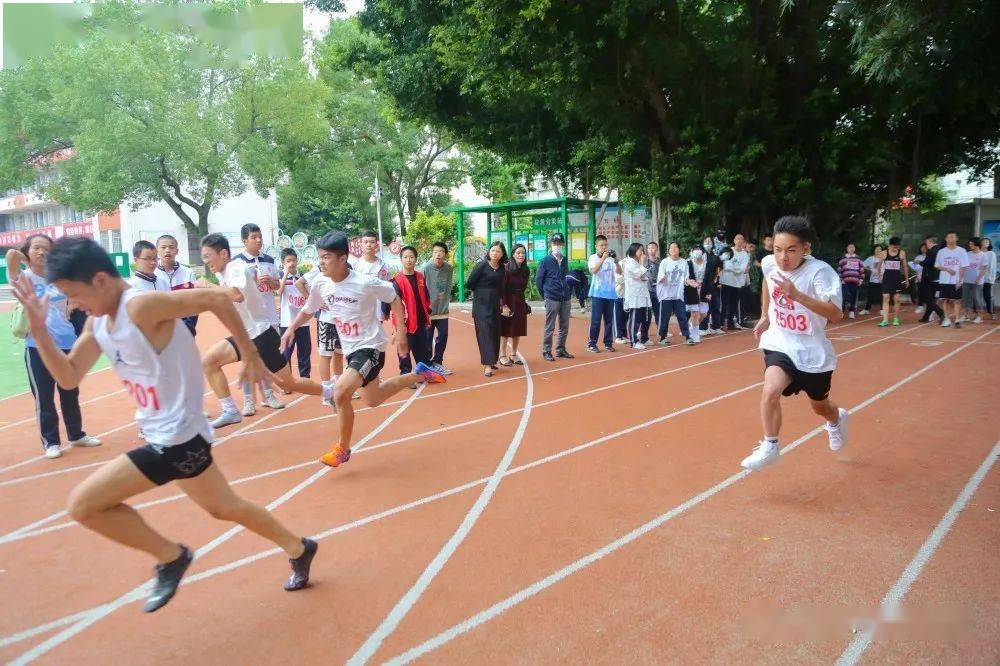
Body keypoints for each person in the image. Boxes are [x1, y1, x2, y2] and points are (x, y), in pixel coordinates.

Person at [11, 237, 318, 612]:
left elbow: (218, 299)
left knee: (83, 505)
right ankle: (299, 547)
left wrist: (251, 356)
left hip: (175, 441)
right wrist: (40, 330)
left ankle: (171, 556)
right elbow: (69, 376)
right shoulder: (97, 325)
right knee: (226, 507)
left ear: (101, 280)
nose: (73, 304)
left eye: (75, 294)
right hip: (176, 437)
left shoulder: (140, 306)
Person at [280, 231, 445, 467]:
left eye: (326, 257)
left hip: (371, 347)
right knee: (373, 399)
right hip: (351, 350)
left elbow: (394, 298)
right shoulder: (320, 283)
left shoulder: (364, 282)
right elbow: (309, 309)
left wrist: (401, 333)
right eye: (320, 257)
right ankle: (420, 373)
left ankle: (342, 449)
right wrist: (291, 329)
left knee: (340, 392)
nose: (321, 262)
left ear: (342, 258)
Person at [741, 216, 847, 471]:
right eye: (778, 250)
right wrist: (766, 315)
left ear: (805, 249)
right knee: (770, 390)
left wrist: (797, 295)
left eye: (790, 250)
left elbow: (835, 314)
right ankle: (770, 445)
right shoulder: (769, 263)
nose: (782, 257)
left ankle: (836, 420)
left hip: (813, 351)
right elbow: (768, 280)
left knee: (820, 406)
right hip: (781, 341)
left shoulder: (820, 272)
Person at [200, 234, 331, 428]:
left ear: (223, 253)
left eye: (208, 256)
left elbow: (236, 295)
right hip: (248, 335)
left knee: (288, 383)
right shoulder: (224, 272)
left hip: (259, 335)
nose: (206, 261)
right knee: (211, 361)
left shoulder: (235, 267)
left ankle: (331, 393)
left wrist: (207, 286)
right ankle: (230, 410)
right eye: (203, 257)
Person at [6, 234, 101, 459]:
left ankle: (76, 435)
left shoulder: (58, 277)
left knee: (70, 392)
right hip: (37, 346)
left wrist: (73, 302)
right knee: (44, 397)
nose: (42, 253)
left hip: (67, 342)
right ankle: (51, 441)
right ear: (28, 252)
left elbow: (79, 296)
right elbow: (11, 256)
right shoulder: (23, 277)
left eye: (47, 249)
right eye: (37, 249)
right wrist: (26, 257)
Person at [232, 223, 284, 413]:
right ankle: (248, 400)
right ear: (244, 240)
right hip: (249, 320)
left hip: (268, 317)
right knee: (248, 359)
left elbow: (278, 286)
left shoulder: (269, 260)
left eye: (260, 236)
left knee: (267, 359)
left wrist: (270, 282)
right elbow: (235, 291)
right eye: (254, 237)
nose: (258, 240)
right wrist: (253, 282)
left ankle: (268, 395)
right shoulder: (237, 263)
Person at [466, 241, 508, 376]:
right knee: (485, 334)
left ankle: (492, 360)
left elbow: (501, 287)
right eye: (493, 250)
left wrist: (503, 303)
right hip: (481, 305)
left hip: (495, 304)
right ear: (489, 251)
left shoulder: (502, 268)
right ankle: (487, 365)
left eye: (498, 251)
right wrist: (482, 292)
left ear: (502, 254)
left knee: (495, 332)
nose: (495, 253)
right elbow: (470, 283)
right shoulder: (481, 266)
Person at [392, 246, 433, 380]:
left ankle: (422, 373)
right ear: (401, 260)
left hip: (420, 320)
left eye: (411, 257)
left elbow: (425, 296)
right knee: (404, 350)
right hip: (405, 323)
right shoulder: (396, 281)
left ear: (416, 259)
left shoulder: (420, 276)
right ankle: (406, 376)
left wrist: (428, 310)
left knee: (422, 348)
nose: (409, 260)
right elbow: (394, 304)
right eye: (405, 257)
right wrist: (397, 325)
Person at [535, 233, 573, 362]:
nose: (557, 246)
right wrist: (545, 295)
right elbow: (538, 280)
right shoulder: (545, 260)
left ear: (562, 245)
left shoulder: (564, 260)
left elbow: (565, 276)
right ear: (551, 245)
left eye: (559, 243)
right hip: (552, 297)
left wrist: (567, 291)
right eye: (555, 243)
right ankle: (546, 350)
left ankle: (561, 349)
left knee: (564, 326)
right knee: (550, 326)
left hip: (565, 297)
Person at [276, 248, 311, 379]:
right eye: (288, 261)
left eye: (294, 260)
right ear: (283, 263)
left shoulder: (302, 277)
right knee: (285, 352)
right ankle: (287, 380)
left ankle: (305, 378)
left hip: (302, 322)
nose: (291, 263)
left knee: (304, 352)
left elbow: (308, 294)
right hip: (286, 321)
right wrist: (285, 273)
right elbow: (279, 292)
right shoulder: (280, 276)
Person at [421, 241, 455, 374]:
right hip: (428, 311)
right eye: (435, 252)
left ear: (445, 254)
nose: (438, 254)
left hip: (442, 310)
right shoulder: (426, 268)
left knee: (443, 336)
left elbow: (447, 287)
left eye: (441, 252)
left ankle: (437, 361)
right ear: (432, 253)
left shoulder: (449, 268)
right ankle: (427, 363)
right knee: (427, 338)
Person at [155, 235, 199, 336]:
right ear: (157, 251)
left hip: (186, 328)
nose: (167, 250)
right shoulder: (153, 274)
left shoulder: (188, 272)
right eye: (163, 247)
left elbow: (194, 302)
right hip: (160, 331)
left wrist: (188, 327)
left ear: (177, 251)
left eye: (171, 247)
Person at [586, 234, 622, 353]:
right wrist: (603, 259)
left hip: (610, 294)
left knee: (609, 321)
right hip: (597, 294)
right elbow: (594, 271)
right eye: (601, 245)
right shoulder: (593, 258)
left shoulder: (611, 259)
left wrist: (616, 262)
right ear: (596, 246)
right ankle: (592, 343)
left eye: (605, 245)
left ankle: (608, 343)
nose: (604, 247)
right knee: (596, 320)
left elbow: (619, 272)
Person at [500, 243, 530, 365]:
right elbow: (501, 288)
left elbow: (524, 287)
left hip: (520, 300)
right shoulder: (506, 268)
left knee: (518, 328)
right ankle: (502, 355)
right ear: (513, 254)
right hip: (508, 299)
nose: (521, 255)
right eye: (518, 253)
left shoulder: (525, 269)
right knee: (506, 329)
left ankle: (513, 354)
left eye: (523, 253)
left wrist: (524, 302)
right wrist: (503, 305)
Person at [656, 241, 691, 344]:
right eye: (671, 248)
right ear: (669, 250)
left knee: (682, 316)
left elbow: (686, 278)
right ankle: (663, 337)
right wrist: (663, 279)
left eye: (676, 247)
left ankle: (687, 337)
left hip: (678, 295)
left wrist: (690, 282)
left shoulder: (684, 262)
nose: (673, 249)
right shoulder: (664, 262)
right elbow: (660, 276)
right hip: (665, 295)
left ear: (679, 249)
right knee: (665, 318)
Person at [934, 231, 969, 328]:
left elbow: (964, 266)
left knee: (957, 300)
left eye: (953, 237)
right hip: (944, 280)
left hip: (956, 280)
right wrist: (947, 269)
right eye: (949, 237)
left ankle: (957, 320)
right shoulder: (941, 251)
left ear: (956, 238)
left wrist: (960, 280)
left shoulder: (962, 251)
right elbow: (937, 265)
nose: (951, 239)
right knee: (945, 300)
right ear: (946, 239)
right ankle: (947, 319)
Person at [621, 242, 651, 349]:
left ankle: (643, 338)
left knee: (644, 317)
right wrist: (643, 263)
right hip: (634, 295)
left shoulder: (636, 262)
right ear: (634, 250)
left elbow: (644, 277)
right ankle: (633, 341)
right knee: (635, 318)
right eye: (640, 250)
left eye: (642, 250)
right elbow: (640, 274)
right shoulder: (629, 263)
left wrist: (642, 268)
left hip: (642, 294)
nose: (642, 253)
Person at [877, 236, 908, 327]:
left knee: (897, 299)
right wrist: (879, 275)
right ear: (890, 245)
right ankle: (885, 320)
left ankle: (896, 318)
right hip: (887, 278)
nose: (896, 248)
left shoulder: (902, 253)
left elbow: (905, 267)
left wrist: (906, 279)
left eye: (897, 247)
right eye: (894, 246)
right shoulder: (884, 253)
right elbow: (878, 266)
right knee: (886, 297)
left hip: (897, 278)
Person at [917, 235, 946, 324]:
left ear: (930, 242)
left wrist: (919, 262)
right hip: (938, 277)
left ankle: (941, 313)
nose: (926, 245)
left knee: (926, 298)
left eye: (926, 243)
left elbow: (927, 263)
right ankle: (926, 317)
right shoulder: (940, 250)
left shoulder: (931, 251)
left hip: (929, 277)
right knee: (931, 298)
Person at [699, 236, 724, 335]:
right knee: (705, 306)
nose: (708, 243)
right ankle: (703, 327)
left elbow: (719, 269)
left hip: (714, 284)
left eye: (710, 241)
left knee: (716, 305)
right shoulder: (701, 255)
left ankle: (716, 326)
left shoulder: (715, 256)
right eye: (706, 241)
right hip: (704, 285)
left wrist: (718, 281)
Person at [961, 238, 987, 324]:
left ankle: (980, 317)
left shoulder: (983, 255)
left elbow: (984, 269)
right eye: (970, 244)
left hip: (977, 281)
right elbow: (964, 266)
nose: (970, 245)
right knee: (965, 298)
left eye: (971, 244)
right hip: (966, 280)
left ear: (977, 244)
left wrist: (978, 279)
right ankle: (965, 315)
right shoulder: (967, 254)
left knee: (977, 298)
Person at [684, 247, 706, 344]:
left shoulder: (706, 263)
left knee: (704, 313)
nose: (697, 251)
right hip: (691, 291)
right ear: (691, 252)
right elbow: (685, 277)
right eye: (695, 250)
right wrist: (690, 282)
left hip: (703, 291)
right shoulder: (688, 263)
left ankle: (690, 327)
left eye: (699, 249)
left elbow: (710, 276)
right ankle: (694, 334)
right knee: (694, 313)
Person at [837, 243, 864, 319]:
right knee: (844, 296)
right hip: (845, 281)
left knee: (853, 296)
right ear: (847, 248)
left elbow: (861, 269)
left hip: (855, 281)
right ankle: (841, 311)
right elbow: (839, 270)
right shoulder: (843, 258)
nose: (851, 248)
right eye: (850, 247)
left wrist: (861, 279)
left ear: (854, 249)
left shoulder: (858, 258)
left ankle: (852, 311)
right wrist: (841, 279)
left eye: (853, 247)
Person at [645, 241, 662, 340]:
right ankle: (643, 331)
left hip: (658, 291)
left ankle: (661, 330)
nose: (651, 250)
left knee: (658, 311)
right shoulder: (644, 261)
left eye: (653, 248)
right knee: (646, 312)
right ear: (647, 250)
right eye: (649, 248)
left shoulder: (661, 262)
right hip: (647, 290)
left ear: (657, 249)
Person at [860, 245, 883, 315]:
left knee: (881, 295)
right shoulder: (870, 259)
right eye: (877, 249)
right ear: (874, 250)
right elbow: (862, 265)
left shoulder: (884, 259)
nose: (879, 250)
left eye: (880, 249)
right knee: (870, 295)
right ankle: (866, 309)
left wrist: (883, 276)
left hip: (882, 280)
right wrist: (868, 269)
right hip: (872, 280)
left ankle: (882, 309)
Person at [981, 237, 997, 319]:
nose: (986, 243)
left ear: (989, 244)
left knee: (987, 296)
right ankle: (975, 313)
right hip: (977, 280)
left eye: (987, 242)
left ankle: (991, 312)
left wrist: (992, 278)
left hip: (987, 279)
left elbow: (993, 267)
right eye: (984, 242)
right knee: (975, 296)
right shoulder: (978, 253)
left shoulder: (991, 253)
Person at [909, 243, 927, 314]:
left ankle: (929, 307)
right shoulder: (918, 257)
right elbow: (915, 268)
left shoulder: (929, 256)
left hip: (927, 277)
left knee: (928, 294)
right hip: (919, 278)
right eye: (922, 248)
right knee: (920, 293)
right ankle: (920, 306)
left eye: (925, 248)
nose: (923, 249)